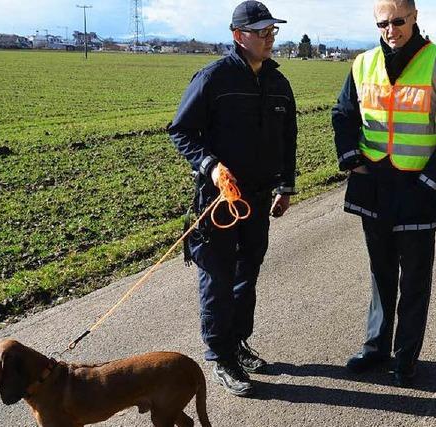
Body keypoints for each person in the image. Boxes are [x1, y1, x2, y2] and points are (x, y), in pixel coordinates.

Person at [331, 0, 436, 386]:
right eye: (383, 23)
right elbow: (343, 114)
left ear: (414, 18)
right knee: (380, 272)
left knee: (414, 279)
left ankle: (405, 357)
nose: (390, 30)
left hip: (417, 187)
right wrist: (351, 159)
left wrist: (431, 182)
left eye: (398, 21)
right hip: (373, 185)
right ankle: (376, 347)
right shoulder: (362, 64)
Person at [168, 1, 296, 397]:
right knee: (217, 276)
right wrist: (211, 166)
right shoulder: (213, 79)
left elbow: (287, 139)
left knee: (247, 273)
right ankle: (220, 356)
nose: (269, 37)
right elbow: (181, 131)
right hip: (218, 201)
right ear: (238, 36)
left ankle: (238, 342)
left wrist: (285, 186)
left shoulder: (279, 83)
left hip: (258, 199)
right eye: (262, 32)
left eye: (272, 31)